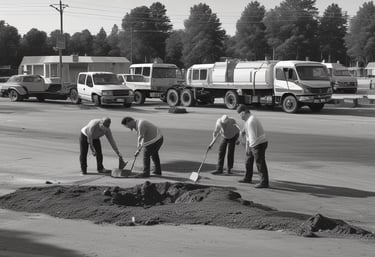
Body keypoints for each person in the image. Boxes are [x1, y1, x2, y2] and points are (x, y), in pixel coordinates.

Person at [236, 104, 269, 188]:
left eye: (239, 114)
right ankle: (248, 178)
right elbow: (247, 134)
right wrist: (247, 148)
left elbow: (253, 138)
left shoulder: (251, 121)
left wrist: (250, 148)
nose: (240, 117)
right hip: (254, 143)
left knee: (260, 162)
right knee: (248, 160)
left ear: (243, 113)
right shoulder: (248, 120)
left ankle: (264, 182)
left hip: (259, 144)